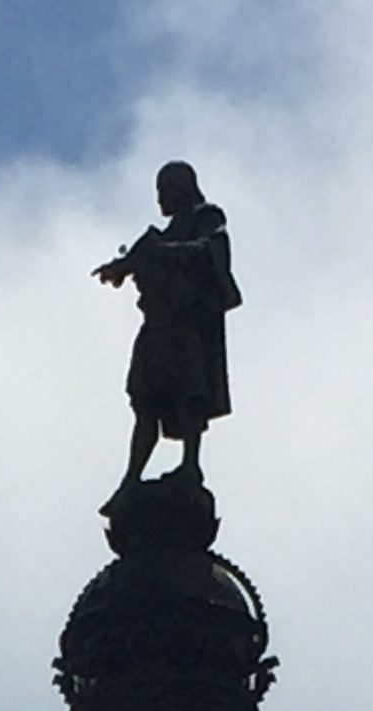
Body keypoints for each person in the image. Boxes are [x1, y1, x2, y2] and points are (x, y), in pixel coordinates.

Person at [93, 163, 240, 497]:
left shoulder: (207, 217)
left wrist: (162, 254)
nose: (160, 200)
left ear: (180, 189)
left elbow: (212, 250)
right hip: (158, 325)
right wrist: (121, 267)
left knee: (189, 393)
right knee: (145, 400)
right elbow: (136, 262)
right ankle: (131, 479)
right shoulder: (161, 235)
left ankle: (190, 464)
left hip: (187, 324)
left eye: (164, 191)